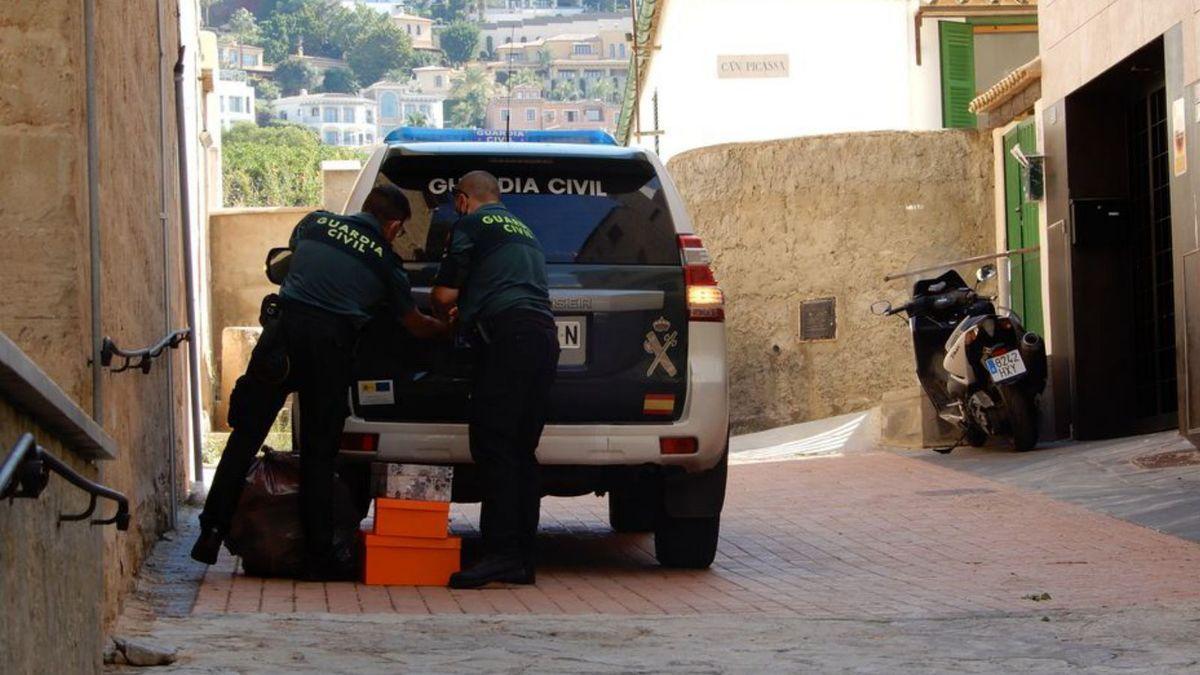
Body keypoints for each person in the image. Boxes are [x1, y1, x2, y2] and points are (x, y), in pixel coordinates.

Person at [192, 185, 447, 579]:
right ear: (393, 225)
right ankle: (317, 557)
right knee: (318, 452)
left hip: (281, 340)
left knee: (245, 436)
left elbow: (289, 264)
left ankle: (211, 530)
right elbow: (412, 323)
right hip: (329, 350)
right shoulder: (386, 262)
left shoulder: (315, 222)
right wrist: (447, 328)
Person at [432, 171, 560, 589]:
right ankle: (522, 557)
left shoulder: (469, 225)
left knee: (493, 444)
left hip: (508, 339)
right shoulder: (525, 231)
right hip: (543, 338)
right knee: (523, 448)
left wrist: (452, 312)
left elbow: (444, 295)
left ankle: (499, 555)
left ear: (463, 199)